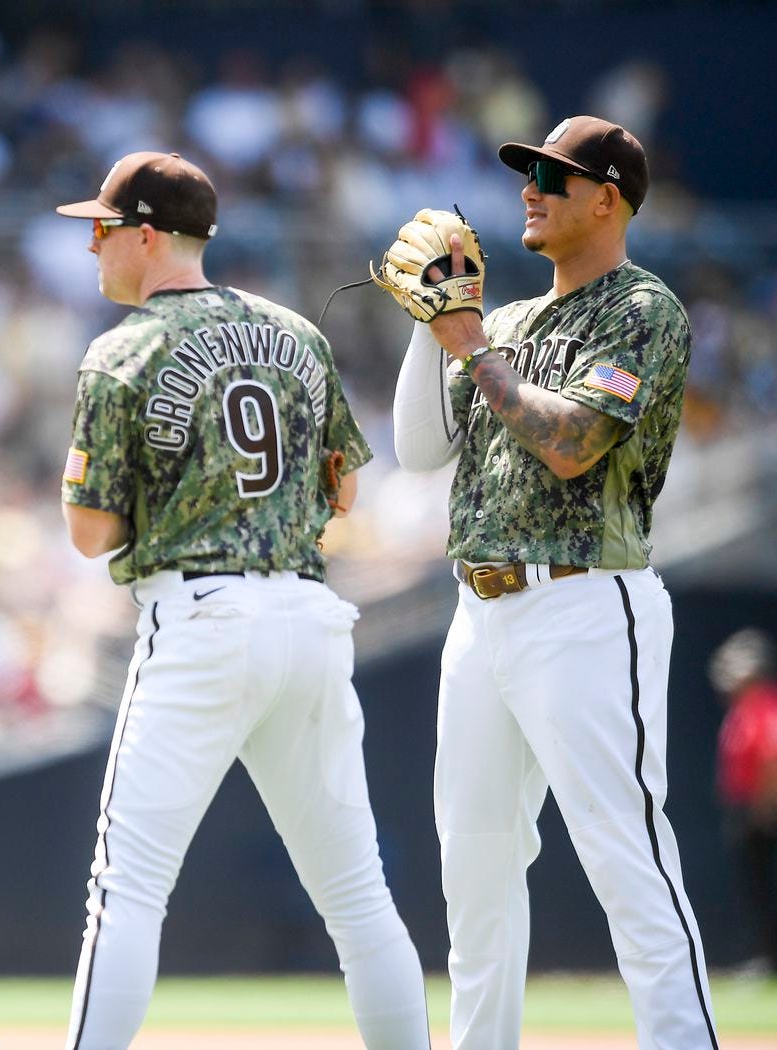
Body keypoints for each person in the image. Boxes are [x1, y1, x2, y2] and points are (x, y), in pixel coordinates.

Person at [54, 151, 430, 1050]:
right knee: (357, 896)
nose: (93, 245)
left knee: (127, 891)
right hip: (308, 618)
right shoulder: (297, 334)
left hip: (202, 619)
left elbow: (89, 532)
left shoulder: (123, 349)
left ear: (147, 234)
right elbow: (343, 495)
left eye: (103, 228)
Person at [387, 115, 718, 1048]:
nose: (530, 189)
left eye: (555, 178)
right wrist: (433, 324)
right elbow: (417, 452)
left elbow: (572, 446)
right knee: (475, 875)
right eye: (529, 173)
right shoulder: (507, 321)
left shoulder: (642, 309)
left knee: (628, 859)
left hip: (584, 603)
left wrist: (467, 344)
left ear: (607, 198)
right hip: (478, 613)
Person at [711, 628, 777, 974]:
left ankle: (769, 959)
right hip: (748, 808)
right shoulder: (743, 706)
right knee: (754, 888)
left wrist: (763, 806)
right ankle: (765, 958)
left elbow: (771, 756)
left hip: (761, 811)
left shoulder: (761, 704)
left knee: (762, 887)